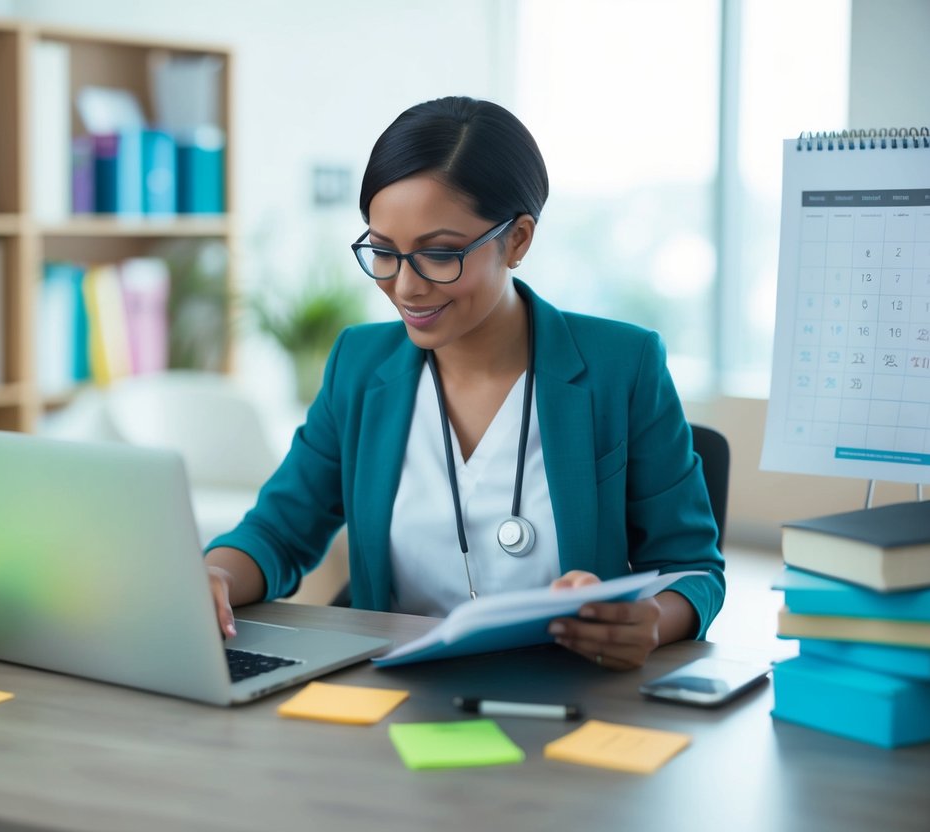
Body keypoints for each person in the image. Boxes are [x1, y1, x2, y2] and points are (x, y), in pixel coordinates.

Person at [205, 96, 725, 670]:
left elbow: (694, 568)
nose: (405, 287)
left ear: (519, 240)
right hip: (396, 698)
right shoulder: (359, 364)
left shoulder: (622, 366)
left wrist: (651, 621)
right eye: (383, 252)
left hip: (573, 698)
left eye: (440, 253)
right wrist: (215, 575)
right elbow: (279, 532)